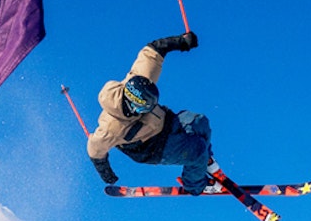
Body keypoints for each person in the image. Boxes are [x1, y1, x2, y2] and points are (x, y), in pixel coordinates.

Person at [87, 31, 216, 193]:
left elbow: (153, 50)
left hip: (165, 122)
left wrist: (181, 42)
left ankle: (202, 163)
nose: (143, 112)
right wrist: (106, 172)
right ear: (132, 104)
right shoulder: (111, 127)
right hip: (153, 148)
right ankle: (196, 185)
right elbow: (94, 149)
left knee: (200, 121)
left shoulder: (140, 78)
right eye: (142, 109)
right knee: (197, 150)